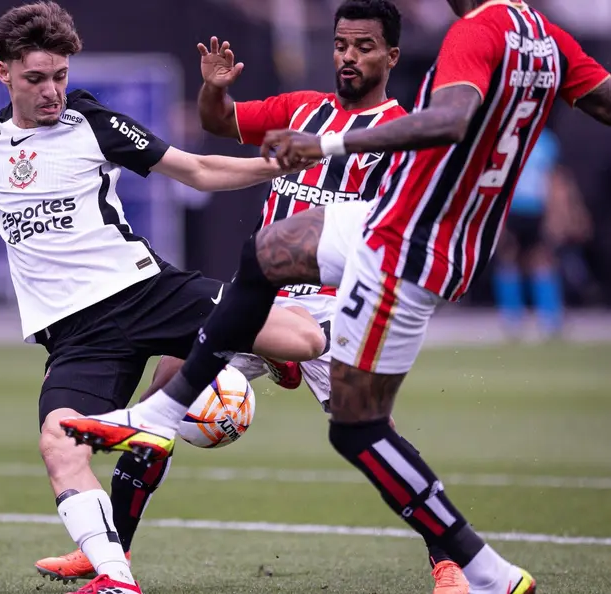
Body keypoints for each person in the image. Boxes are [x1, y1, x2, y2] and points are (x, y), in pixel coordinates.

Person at [62, 1, 611, 593]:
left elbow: (447, 135)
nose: (349, 57)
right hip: (270, 298)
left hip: (339, 296)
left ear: (392, 55)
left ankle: (449, 563)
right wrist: (214, 91)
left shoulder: (410, 119)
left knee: (372, 428)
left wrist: (327, 151)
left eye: (365, 46)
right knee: (175, 370)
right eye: (341, 45)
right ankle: (109, 555)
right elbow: (221, 123)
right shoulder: (304, 108)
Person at [0, 3, 326, 593]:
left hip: (146, 292)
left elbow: (199, 170)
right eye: (35, 79)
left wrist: (277, 163)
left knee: (305, 338)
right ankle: (115, 578)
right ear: (4, 74)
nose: (52, 91)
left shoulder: (92, 123)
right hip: (77, 335)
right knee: (60, 441)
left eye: (60, 76)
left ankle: (246, 355)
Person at [492, 126, 563, 338]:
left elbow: (552, 179)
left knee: (541, 260)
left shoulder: (546, 141)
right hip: (511, 209)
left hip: (536, 209)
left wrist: (555, 214)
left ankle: (550, 318)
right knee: (508, 259)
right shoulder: (504, 137)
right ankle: (512, 318)